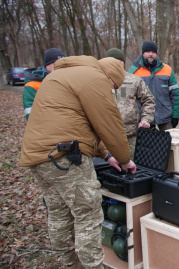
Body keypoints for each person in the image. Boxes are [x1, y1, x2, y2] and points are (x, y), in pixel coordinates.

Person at [19, 55, 136, 269]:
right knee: (88, 211)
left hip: (39, 157)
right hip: (64, 157)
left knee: (58, 212)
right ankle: (93, 265)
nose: (112, 90)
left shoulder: (64, 74)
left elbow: (80, 125)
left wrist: (108, 156)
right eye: (114, 86)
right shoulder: (95, 79)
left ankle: (68, 264)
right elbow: (109, 124)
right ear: (110, 77)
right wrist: (125, 159)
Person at [105, 48, 155, 159]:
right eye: (112, 61)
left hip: (130, 135)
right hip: (105, 136)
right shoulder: (97, 80)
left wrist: (146, 119)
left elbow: (148, 100)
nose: (116, 65)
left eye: (119, 62)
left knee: (132, 166)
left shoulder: (134, 80)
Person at [128, 41, 179, 130]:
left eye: (153, 52)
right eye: (148, 52)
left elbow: (175, 94)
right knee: (145, 143)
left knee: (169, 141)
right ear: (143, 53)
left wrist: (176, 115)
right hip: (143, 119)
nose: (150, 54)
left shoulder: (167, 69)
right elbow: (128, 97)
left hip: (165, 116)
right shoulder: (133, 71)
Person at [23, 48, 65, 120]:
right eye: (55, 63)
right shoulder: (32, 84)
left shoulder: (65, 79)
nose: (59, 67)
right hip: (46, 126)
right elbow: (30, 112)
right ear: (47, 65)